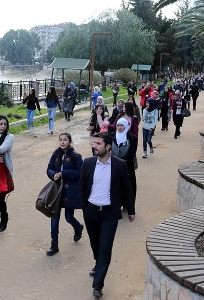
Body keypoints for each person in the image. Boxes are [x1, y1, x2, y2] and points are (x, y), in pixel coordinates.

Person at [79, 132, 135, 299]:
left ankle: (98, 284)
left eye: (98, 144)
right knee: (95, 244)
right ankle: (98, 264)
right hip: (90, 211)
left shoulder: (119, 164)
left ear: (108, 146)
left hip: (109, 213)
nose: (94, 146)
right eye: (94, 143)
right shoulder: (88, 163)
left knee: (105, 248)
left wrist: (131, 209)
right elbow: (82, 185)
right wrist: (84, 205)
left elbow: (127, 188)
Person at [45, 133, 85, 256]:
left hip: (70, 192)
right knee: (54, 219)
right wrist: (53, 174)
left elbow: (81, 173)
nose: (62, 142)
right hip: (57, 192)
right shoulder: (55, 154)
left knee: (68, 217)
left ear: (70, 141)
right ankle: (54, 245)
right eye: (60, 140)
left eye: (65, 140)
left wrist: (64, 173)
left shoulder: (76, 156)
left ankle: (78, 227)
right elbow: (49, 168)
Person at [111, 118, 138, 203]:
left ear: (126, 126)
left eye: (122, 125)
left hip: (127, 166)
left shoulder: (132, 138)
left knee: (128, 185)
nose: (120, 127)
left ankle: (128, 204)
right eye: (118, 125)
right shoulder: (111, 136)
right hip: (113, 166)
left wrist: (120, 160)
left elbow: (131, 153)